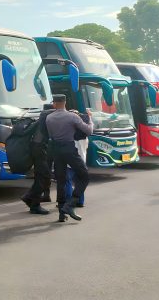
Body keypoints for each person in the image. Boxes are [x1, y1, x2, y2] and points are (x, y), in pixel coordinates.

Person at [45, 94, 93, 222]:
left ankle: (62, 213)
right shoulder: (72, 116)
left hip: (56, 149)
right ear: (65, 103)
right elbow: (88, 131)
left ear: (54, 104)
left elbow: (50, 134)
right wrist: (90, 119)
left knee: (61, 181)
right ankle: (71, 204)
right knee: (84, 175)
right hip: (69, 149)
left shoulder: (49, 118)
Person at [21, 104, 54, 215]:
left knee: (41, 177)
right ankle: (33, 203)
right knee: (45, 177)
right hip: (40, 150)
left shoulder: (40, 119)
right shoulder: (47, 118)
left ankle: (30, 199)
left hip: (36, 149)